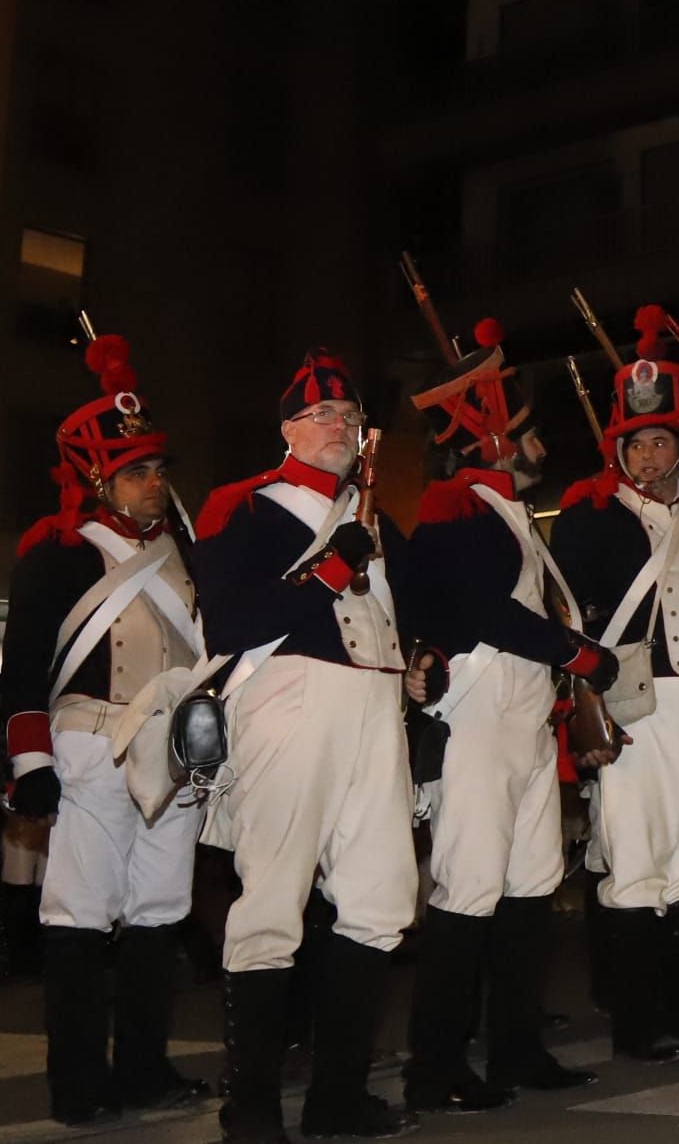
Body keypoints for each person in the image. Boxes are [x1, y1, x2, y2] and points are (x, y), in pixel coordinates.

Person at [195, 348, 418, 1141]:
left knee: (380, 899)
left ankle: (337, 1097)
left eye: (349, 417)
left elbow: (399, 613)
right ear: (287, 428)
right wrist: (328, 570)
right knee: (272, 901)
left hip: (374, 702)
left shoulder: (375, 514)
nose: (339, 427)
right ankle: (250, 1107)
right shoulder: (241, 506)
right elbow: (227, 624)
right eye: (322, 415)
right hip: (290, 698)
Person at [402, 322, 617, 1112]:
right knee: (465, 894)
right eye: (521, 434)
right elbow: (483, 610)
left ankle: (519, 1047)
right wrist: (580, 653)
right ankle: (436, 1067)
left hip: (524, 714)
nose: (535, 447)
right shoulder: (454, 505)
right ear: (491, 438)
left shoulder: (507, 512)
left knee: (529, 888)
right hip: (481, 714)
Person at [2, 334, 208, 1124]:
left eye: (158, 470)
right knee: (80, 918)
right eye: (138, 472)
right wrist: (31, 763)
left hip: (172, 750)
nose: (156, 484)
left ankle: (147, 1071)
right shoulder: (56, 555)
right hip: (90, 748)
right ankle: (79, 1088)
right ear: (98, 478)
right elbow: (24, 671)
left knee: (160, 911)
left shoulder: (180, 555)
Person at [549, 310, 679, 1061]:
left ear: (678, 448)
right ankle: (636, 1023)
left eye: (662, 441)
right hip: (643, 706)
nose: (649, 454)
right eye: (636, 443)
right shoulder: (592, 514)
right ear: (620, 447)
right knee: (638, 862)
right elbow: (569, 613)